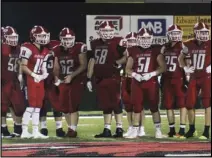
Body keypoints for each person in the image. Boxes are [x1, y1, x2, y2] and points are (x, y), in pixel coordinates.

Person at [87, 21, 127, 138]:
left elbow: (127, 55)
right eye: (105, 31)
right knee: (105, 104)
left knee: (116, 103)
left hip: (113, 77)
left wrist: (118, 63)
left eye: (109, 31)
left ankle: (119, 128)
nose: (107, 33)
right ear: (99, 32)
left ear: (113, 31)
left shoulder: (118, 41)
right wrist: (89, 78)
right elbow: (92, 61)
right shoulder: (94, 43)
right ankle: (107, 129)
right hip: (100, 78)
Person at [125, 28, 167, 139]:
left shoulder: (156, 50)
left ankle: (158, 130)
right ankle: (135, 130)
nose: (145, 40)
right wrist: (135, 75)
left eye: (148, 37)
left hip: (151, 82)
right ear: (138, 38)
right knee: (137, 107)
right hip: (137, 83)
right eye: (143, 38)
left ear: (152, 38)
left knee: (154, 107)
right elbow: (127, 69)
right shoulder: (133, 50)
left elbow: (163, 67)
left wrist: (152, 73)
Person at [53, 27, 87, 137]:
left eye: (70, 39)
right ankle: (70, 128)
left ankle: (73, 129)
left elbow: (83, 65)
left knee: (73, 106)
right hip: (63, 80)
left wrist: (72, 76)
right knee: (64, 107)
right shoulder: (57, 50)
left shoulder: (79, 47)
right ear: (61, 39)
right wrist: (56, 78)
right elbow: (56, 67)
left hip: (76, 79)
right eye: (65, 39)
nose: (68, 41)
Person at [179, 22, 211, 139]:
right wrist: (185, 67)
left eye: (205, 32)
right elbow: (180, 58)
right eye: (201, 32)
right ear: (195, 32)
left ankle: (206, 131)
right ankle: (192, 129)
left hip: (207, 77)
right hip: (193, 76)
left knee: (207, 103)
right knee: (189, 104)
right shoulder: (189, 44)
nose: (204, 34)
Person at [20, 25, 50, 139]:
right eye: (40, 35)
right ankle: (25, 131)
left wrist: (44, 74)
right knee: (31, 106)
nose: (43, 38)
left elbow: (43, 65)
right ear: (34, 36)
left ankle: (36, 131)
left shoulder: (46, 50)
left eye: (44, 35)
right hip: (30, 79)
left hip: (39, 80)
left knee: (38, 106)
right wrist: (34, 75)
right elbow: (23, 66)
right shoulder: (27, 47)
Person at [160, 24, 187, 138]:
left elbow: (188, 63)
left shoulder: (184, 47)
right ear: (168, 34)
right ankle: (172, 129)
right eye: (173, 33)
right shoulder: (164, 47)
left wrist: (188, 78)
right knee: (168, 105)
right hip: (167, 79)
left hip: (179, 78)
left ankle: (182, 129)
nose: (175, 36)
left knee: (182, 104)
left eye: (177, 33)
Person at [1, 26, 26, 138]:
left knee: (18, 106)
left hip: (14, 81)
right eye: (10, 37)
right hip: (3, 81)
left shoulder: (18, 48)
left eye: (14, 37)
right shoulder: (2, 48)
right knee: (2, 106)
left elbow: (20, 63)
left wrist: (20, 74)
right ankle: (3, 128)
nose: (13, 39)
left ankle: (17, 128)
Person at [39, 40, 66, 137]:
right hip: (44, 81)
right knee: (43, 106)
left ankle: (57, 128)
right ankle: (44, 127)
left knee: (57, 106)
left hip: (53, 82)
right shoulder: (42, 54)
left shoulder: (57, 55)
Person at [121, 32, 146, 138]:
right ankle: (131, 128)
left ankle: (141, 128)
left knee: (139, 105)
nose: (131, 43)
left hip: (137, 80)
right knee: (128, 106)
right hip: (126, 79)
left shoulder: (140, 52)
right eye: (129, 41)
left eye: (133, 41)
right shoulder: (124, 53)